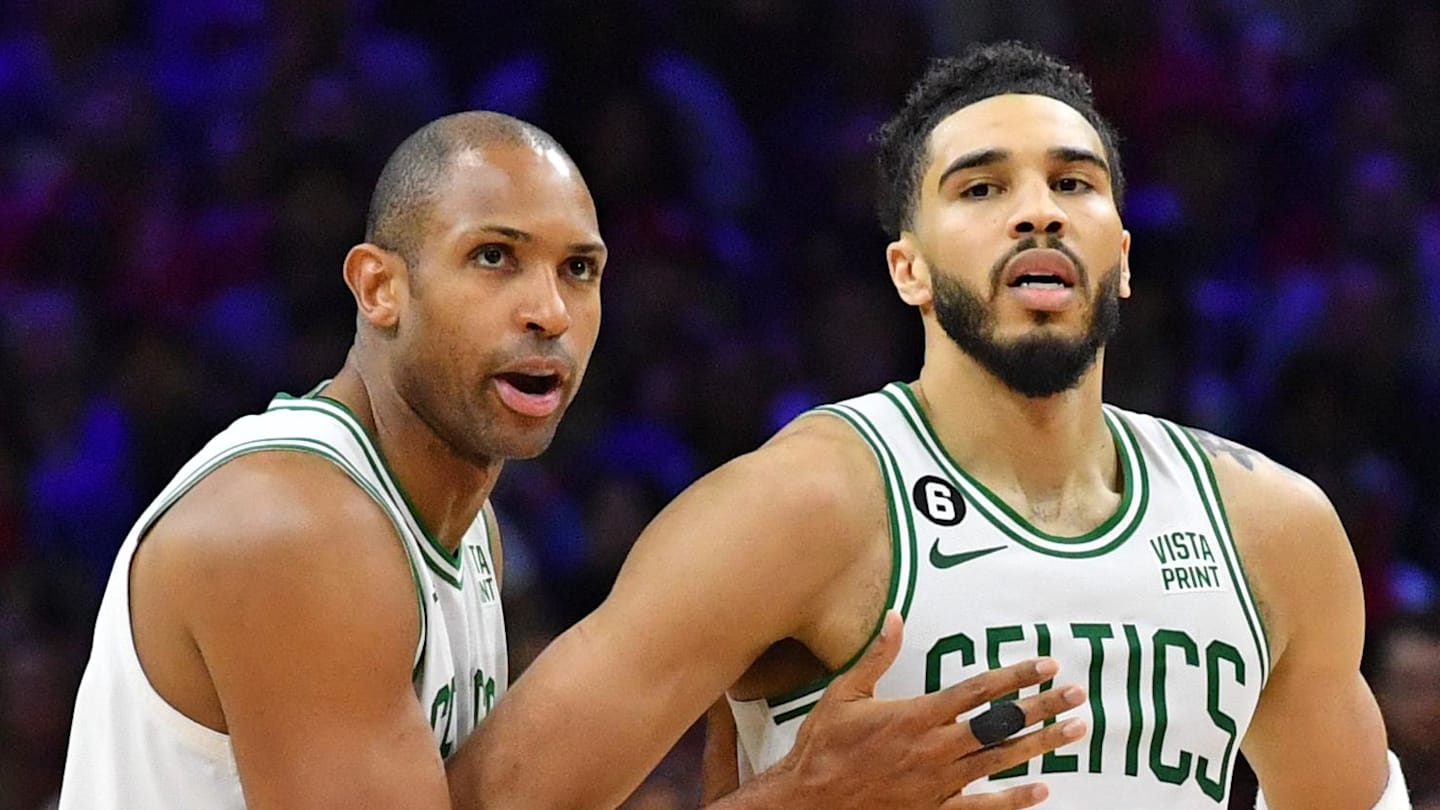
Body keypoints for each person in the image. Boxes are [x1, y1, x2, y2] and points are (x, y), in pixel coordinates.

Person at [460, 42, 1412, 809]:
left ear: (1122, 257)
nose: (1038, 212)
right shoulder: (800, 507)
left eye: (1073, 184)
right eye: (982, 188)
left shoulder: (1272, 531)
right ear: (908, 269)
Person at [58, 110, 1083, 809]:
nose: (548, 310)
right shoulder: (298, 528)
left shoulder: (465, 534)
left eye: (578, 270)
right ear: (379, 288)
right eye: (494, 258)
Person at [1373, 609, 1440, 809]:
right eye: (1411, 688)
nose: (1429, 704)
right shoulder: (1353, 773)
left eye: (1438, 685)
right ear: (1377, 695)